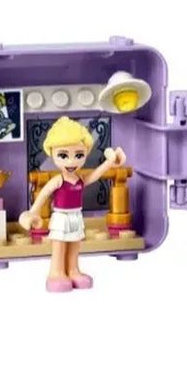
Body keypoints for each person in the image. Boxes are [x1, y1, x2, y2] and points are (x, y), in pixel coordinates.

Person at [19, 116, 125, 293]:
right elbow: (43, 194)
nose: (71, 162)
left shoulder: (80, 178)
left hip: (76, 215)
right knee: (59, 244)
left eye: (79, 155)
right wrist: (33, 212)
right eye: (63, 155)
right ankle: (56, 273)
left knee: (75, 243)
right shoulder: (58, 180)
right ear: (52, 153)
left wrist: (109, 163)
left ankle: (73, 270)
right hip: (61, 216)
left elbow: (95, 175)